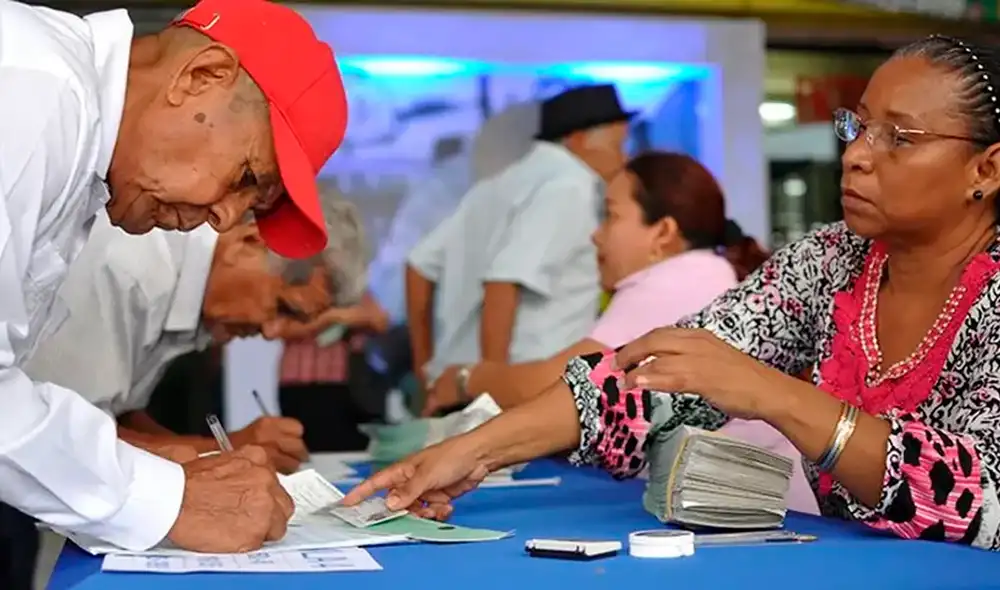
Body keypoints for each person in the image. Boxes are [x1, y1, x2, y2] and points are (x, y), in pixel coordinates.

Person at [344, 35, 1000, 551]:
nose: (858, 155)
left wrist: (776, 394)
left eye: (900, 138)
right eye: (856, 128)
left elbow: (981, 496)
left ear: (986, 168)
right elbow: (656, 376)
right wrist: (473, 450)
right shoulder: (832, 261)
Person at [0, 0, 346, 560]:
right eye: (245, 177)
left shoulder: (77, 145)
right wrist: (167, 498)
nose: (225, 220)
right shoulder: (36, 92)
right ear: (201, 76)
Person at [420, 152, 816, 515]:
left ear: (662, 232)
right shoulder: (697, 272)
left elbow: (562, 384)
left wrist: (467, 379)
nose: (596, 234)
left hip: (762, 507)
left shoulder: (679, 278)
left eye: (611, 215)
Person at [23, 198, 367, 474]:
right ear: (249, 241)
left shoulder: (188, 295)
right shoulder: (132, 271)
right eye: (281, 307)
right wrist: (225, 450)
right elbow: (68, 437)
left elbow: (118, 415)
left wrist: (225, 457)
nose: (271, 331)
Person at [407, 84, 630, 394]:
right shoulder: (571, 186)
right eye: (617, 146)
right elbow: (502, 282)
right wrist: (489, 386)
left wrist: (424, 365)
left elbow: (418, 266)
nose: (623, 159)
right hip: (522, 388)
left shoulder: (500, 183)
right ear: (577, 140)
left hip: (457, 381)